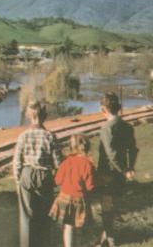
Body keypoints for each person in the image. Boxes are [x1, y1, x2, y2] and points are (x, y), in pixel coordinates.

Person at [13, 100, 62, 247]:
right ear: (44, 116)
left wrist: (17, 180)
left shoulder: (23, 136)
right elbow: (58, 163)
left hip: (27, 174)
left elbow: (17, 162)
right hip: (45, 175)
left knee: (27, 216)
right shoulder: (50, 136)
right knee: (45, 213)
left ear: (29, 116)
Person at [96, 92, 138, 247]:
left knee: (107, 206)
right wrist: (130, 166)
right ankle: (106, 235)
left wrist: (123, 170)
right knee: (112, 205)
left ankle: (109, 238)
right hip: (120, 173)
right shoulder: (127, 127)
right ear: (119, 108)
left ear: (103, 109)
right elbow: (133, 149)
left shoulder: (106, 128)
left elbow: (111, 154)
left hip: (108, 173)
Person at [49, 134, 95, 247]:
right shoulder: (88, 164)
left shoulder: (66, 162)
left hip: (65, 198)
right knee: (79, 228)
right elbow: (90, 186)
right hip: (80, 200)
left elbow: (57, 181)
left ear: (71, 147)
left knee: (68, 227)